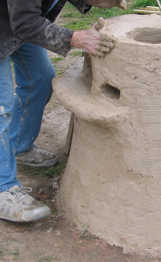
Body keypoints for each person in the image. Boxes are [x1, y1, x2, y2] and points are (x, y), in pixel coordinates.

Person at [0, 0, 126, 222]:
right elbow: (25, 22)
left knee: (40, 78)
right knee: (3, 106)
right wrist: (73, 38)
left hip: (13, 20)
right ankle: (3, 188)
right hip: (17, 21)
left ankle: (19, 145)